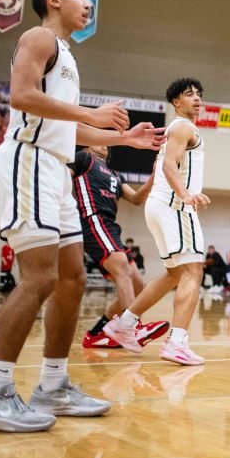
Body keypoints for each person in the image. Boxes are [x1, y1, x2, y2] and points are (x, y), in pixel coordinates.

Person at [0, 0, 163, 433]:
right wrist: (90, 112)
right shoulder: (38, 37)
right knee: (40, 278)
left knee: (72, 279)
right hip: (27, 161)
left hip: (56, 168)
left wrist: (124, 138)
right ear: (53, 0)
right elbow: (21, 96)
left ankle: (53, 385)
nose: (87, 3)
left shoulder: (69, 57)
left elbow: (71, 129)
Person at [105, 79, 210, 366]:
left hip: (160, 205)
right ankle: (177, 342)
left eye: (199, 94)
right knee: (193, 271)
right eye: (189, 94)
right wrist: (185, 194)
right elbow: (167, 165)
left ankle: (124, 324)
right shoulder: (183, 126)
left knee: (175, 274)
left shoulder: (180, 128)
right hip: (173, 204)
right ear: (176, 102)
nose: (197, 98)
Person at [70, 143, 168, 351]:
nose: (103, 144)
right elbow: (60, 181)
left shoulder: (115, 173)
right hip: (92, 220)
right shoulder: (83, 159)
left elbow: (136, 199)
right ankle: (132, 328)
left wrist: (154, 175)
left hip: (111, 227)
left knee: (138, 286)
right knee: (122, 268)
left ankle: (96, 334)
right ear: (87, 146)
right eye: (98, 140)